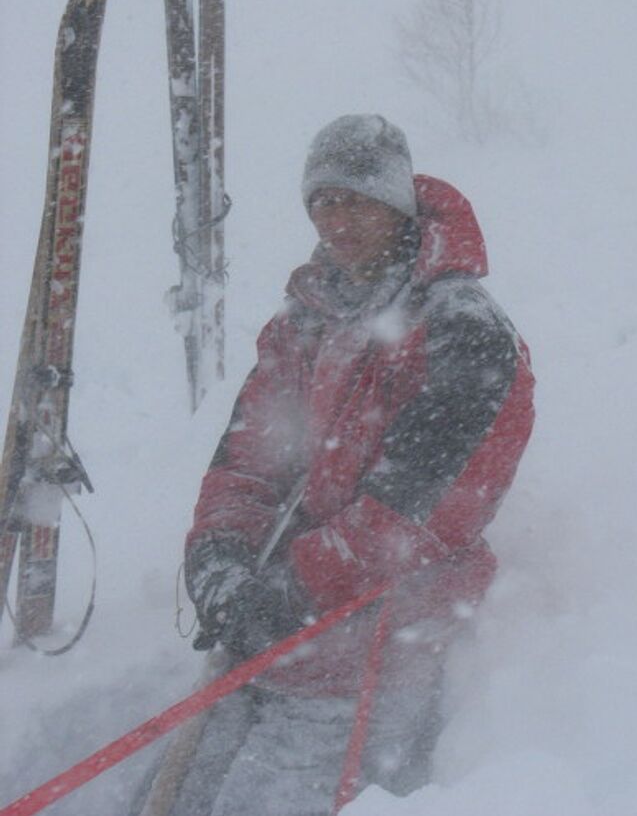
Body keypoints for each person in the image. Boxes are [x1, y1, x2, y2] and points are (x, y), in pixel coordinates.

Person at [145, 114, 534, 815]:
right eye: (322, 201)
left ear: (396, 203)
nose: (338, 218)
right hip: (283, 625)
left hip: (389, 627)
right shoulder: (305, 321)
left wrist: (297, 587)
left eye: (357, 198)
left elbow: (428, 504)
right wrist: (220, 554)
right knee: (175, 793)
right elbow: (249, 459)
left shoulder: (462, 328)